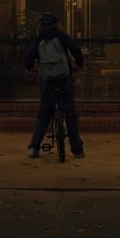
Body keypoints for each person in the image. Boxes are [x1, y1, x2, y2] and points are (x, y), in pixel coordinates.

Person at [24, 12, 85, 159]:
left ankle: (34, 147)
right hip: (64, 79)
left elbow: (29, 58)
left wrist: (31, 68)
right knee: (70, 114)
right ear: (56, 24)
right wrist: (79, 65)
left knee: (44, 114)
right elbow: (76, 50)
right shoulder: (62, 37)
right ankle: (77, 150)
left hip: (46, 81)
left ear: (42, 25)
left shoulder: (38, 40)